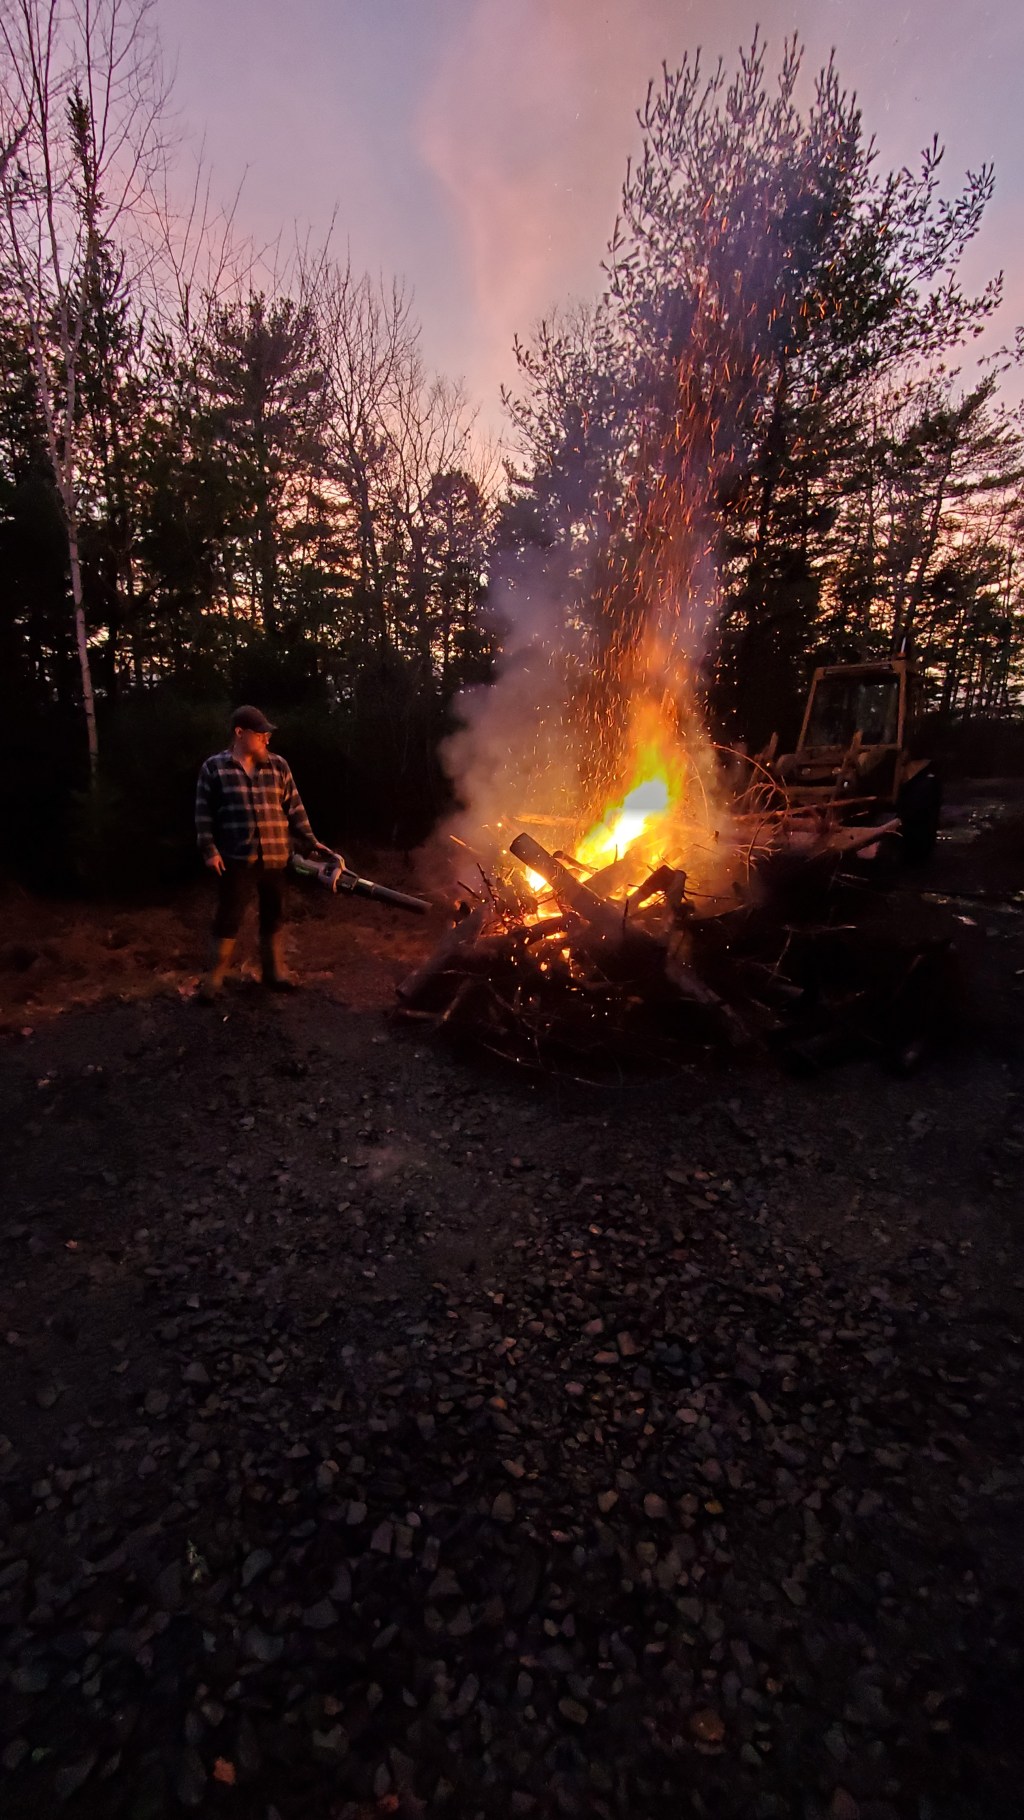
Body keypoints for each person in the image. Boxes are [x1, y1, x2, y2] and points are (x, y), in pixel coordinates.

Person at [194, 705, 336, 1000]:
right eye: (260, 735)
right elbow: (203, 814)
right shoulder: (214, 768)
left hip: (275, 857)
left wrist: (312, 842)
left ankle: (274, 973)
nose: (266, 739)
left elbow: (295, 808)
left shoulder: (278, 766)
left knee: (274, 915)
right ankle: (213, 981)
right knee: (228, 918)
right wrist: (209, 849)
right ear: (240, 733)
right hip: (236, 859)